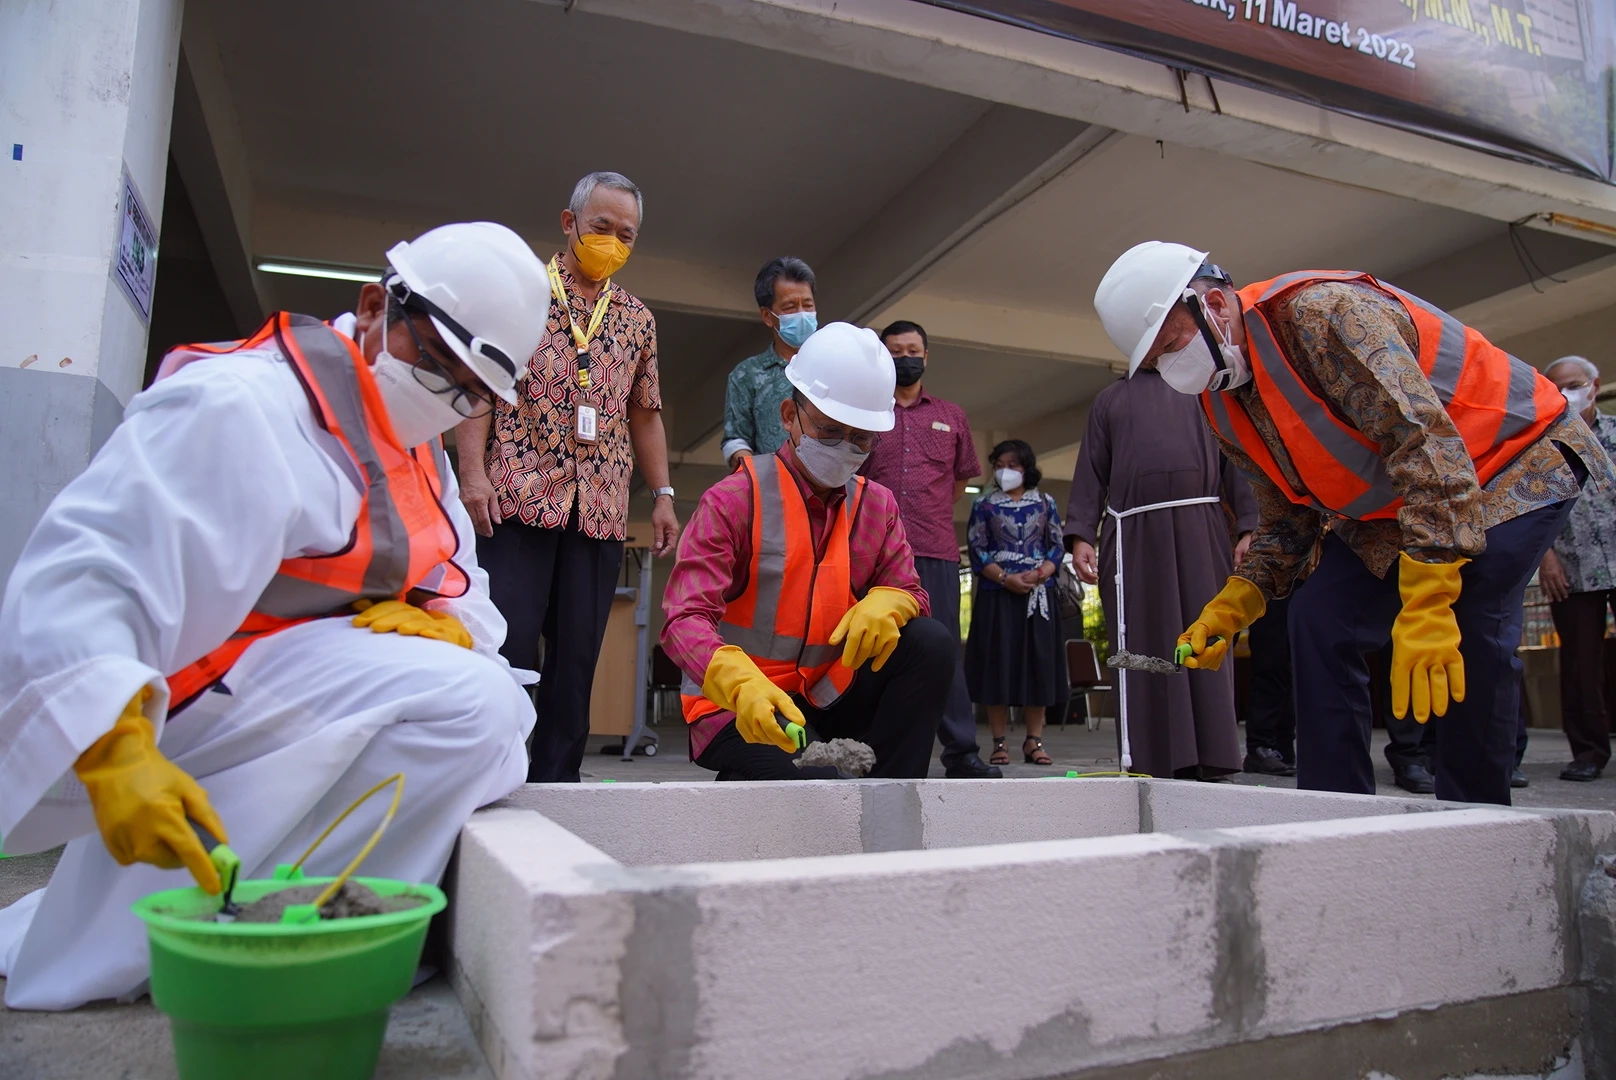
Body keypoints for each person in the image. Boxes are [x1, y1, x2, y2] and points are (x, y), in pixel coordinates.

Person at [0, 222, 548, 1009]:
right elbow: (90, 566)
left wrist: (451, 624)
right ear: (374, 307)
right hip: (179, 699)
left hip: (272, 685)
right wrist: (112, 743)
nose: (447, 399)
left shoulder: (416, 451)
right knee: (478, 710)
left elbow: (464, 584)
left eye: (471, 393)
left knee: (491, 714)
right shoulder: (244, 404)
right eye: (437, 364)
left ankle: (287, 919)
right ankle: (264, 940)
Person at [1095, 241, 1614, 805]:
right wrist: (1236, 603)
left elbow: (1421, 441)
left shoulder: (1325, 315)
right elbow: (1287, 517)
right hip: (1405, 498)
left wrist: (1431, 593)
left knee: (1468, 622)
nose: (1173, 370)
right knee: (1320, 620)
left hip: (1514, 457)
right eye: (1158, 364)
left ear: (1215, 304)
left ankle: (1476, 815)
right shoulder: (1222, 401)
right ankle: (1335, 810)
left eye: (1173, 346)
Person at [456, 172, 680, 784]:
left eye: (625, 234)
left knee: (577, 657)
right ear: (569, 222)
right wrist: (471, 476)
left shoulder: (637, 319)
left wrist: (662, 496)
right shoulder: (521, 291)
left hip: (600, 508)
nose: (611, 241)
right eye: (601, 227)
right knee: (509, 643)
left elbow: (647, 412)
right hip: (518, 497)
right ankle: (487, 774)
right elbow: (480, 385)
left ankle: (557, 783)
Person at [663, 322, 954, 780]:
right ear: (788, 415)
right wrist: (737, 684)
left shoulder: (876, 506)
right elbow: (683, 618)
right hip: (742, 706)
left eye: (861, 438)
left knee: (930, 643)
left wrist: (895, 600)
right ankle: (759, 773)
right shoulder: (735, 500)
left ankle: (893, 796)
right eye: (829, 429)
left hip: (825, 695)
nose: (845, 448)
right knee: (820, 782)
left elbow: (912, 592)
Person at [1065, 305, 1258, 781]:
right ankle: (1148, 754)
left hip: (1202, 527)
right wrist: (1081, 536)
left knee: (1205, 632)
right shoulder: (1110, 400)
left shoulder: (1207, 392)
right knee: (1142, 639)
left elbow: (1238, 459)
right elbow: (1091, 472)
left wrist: (1250, 524)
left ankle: (1214, 751)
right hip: (1131, 537)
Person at [862, 319, 999, 779]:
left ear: (927, 355)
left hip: (934, 549)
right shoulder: (866, 412)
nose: (906, 358)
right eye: (896, 351)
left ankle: (961, 752)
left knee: (944, 654)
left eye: (914, 349)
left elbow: (960, 480)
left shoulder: (951, 415)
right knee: (871, 649)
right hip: (871, 554)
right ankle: (865, 750)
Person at [966, 441, 1069, 767]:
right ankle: (999, 743)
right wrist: (1004, 579)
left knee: (1037, 666)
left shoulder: (1046, 502)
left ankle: (1033, 741)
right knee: (998, 666)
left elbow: (1056, 546)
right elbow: (977, 549)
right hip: (997, 595)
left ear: (1027, 467)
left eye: (1012, 463)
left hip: (1038, 596)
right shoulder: (983, 504)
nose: (1004, 470)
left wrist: (1040, 574)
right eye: (999, 463)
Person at [1537, 355, 1616, 782]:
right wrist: (1545, 558)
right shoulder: (1544, 447)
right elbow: (1531, 507)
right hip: (1571, 567)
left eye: (1572, 384)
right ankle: (1588, 752)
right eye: (1556, 387)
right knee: (1580, 665)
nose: (1565, 393)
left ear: (1594, 385)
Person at [722, 257, 818, 470]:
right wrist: (758, 477)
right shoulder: (747, 374)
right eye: (790, 307)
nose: (802, 314)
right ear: (767, 316)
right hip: (772, 495)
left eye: (808, 305)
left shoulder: (836, 365)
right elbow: (736, 440)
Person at [1243, 594, 1297, 776]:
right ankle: (1261, 747)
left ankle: (1283, 747)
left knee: (1293, 665)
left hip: (1308, 575)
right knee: (1272, 659)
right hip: (1271, 575)